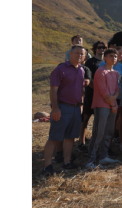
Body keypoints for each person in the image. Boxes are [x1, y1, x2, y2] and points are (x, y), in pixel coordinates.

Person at [41, 45, 86, 176]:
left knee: (70, 137)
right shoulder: (60, 70)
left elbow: (80, 90)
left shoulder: (82, 70)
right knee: (54, 137)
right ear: (70, 54)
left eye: (81, 54)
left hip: (76, 108)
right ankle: (47, 166)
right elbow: (53, 89)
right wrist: (55, 108)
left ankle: (67, 162)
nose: (79, 56)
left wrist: (81, 106)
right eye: (77, 53)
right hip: (62, 107)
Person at [85, 48, 121, 169]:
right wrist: (113, 104)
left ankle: (103, 156)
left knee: (109, 132)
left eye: (115, 56)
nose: (113, 58)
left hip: (112, 106)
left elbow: (117, 89)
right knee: (98, 133)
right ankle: (91, 160)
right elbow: (103, 91)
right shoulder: (101, 71)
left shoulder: (115, 73)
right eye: (111, 56)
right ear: (105, 58)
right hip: (102, 105)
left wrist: (114, 102)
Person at [79, 41, 107, 152]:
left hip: (102, 96)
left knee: (99, 120)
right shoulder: (90, 62)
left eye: (104, 47)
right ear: (95, 49)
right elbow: (87, 77)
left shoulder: (106, 61)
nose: (102, 49)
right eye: (100, 47)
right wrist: (97, 89)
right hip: (91, 93)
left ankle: (96, 143)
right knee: (85, 118)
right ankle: (82, 142)